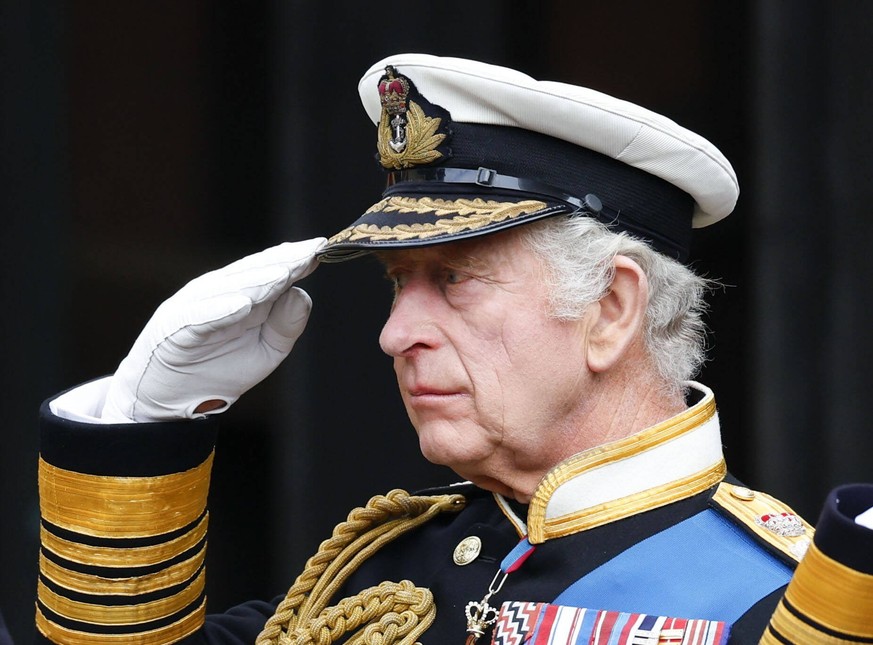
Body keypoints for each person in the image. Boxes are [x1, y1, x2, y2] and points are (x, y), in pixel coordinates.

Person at [35, 54, 872, 644]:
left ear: (611, 308)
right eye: (400, 283)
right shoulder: (373, 582)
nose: (395, 333)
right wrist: (139, 428)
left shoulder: (780, 597)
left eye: (457, 278)